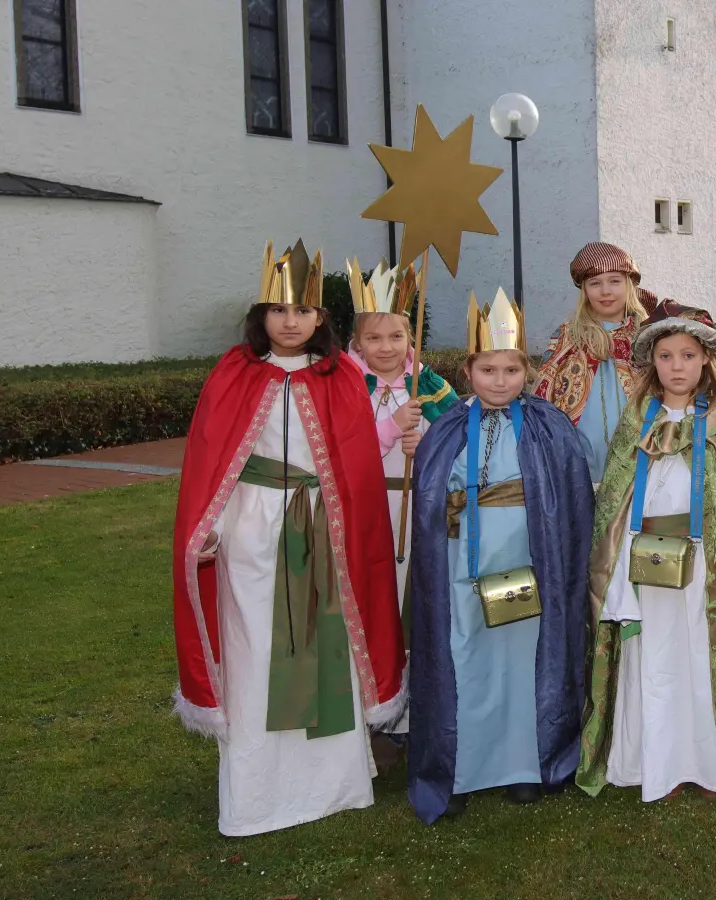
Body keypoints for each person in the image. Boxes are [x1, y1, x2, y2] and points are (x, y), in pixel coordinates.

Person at [170, 240, 405, 836]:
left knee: (326, 641)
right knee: (256, 646)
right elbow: (209, 458)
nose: (291, 322)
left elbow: (355, 470)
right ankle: (259, 793)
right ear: (261, 317)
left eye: (302, 311)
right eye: (278, 311)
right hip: (249, 527)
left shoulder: (341, 378)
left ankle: (331, 784)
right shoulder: (232, 373)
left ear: (321, 318)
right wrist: (211, 527)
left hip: (322, 527)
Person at [577, 316, 716, 802]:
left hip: (707, 567)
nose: (677, 366)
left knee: (701, 654)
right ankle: (656, 761)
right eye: (666, 356)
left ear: (705, 362)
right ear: (652, 364)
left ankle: (712, 763)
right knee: (656, 656)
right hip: (647, 560)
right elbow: (615, 497)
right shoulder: (637, 422)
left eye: (688, 356)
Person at [405, 289, 593, 823]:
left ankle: (523, 767)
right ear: (469, 370)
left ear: (526, 371)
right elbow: (430, 496)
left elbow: (569, 503)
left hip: (525, 563)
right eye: (488, 369)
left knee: (520, 660)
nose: (500, 380)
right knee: (463, 658)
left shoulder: (548, 425)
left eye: (511, 369)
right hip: (461, 566)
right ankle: (460, 769)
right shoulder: (445, 428)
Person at [345, 259, 458, 753]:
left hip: (417, 508)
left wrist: (426, 444)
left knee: (416, 604)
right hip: (365, 508)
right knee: (372, 602)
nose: (386, 348)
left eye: (395, 337)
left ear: (410, 338)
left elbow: (459, 445)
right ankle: (366, 706)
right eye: (375, 339)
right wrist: (390, 430)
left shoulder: (429, 386)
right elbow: (339, 449)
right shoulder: (344, 386)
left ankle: (412, 715)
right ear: (358, 343)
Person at [533, 242, 651, 484]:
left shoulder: (648, 335)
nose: (605, 291)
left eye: (614, 281)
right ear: (584, 289)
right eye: (595, 283)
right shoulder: (567, 336)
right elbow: (544, 394)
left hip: (642, 461)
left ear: (629, 285)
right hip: (580, 464)